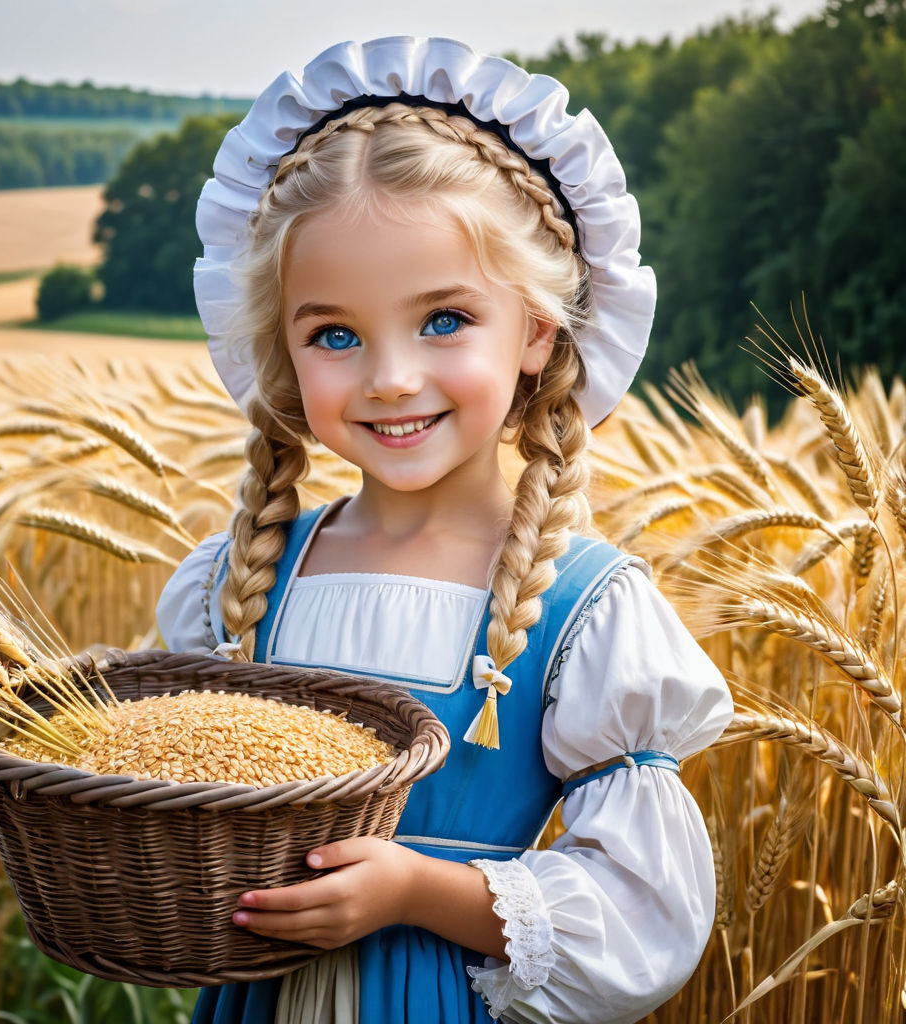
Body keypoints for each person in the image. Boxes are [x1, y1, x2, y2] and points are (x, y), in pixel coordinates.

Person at [156, 36, 734, 1024]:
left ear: (537, 330)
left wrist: (417, 891)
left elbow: (646, 915)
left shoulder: (583, 612)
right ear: (284, 354)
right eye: (334, 334)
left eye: (443, 320)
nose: (387, 376)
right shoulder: (240, 587)